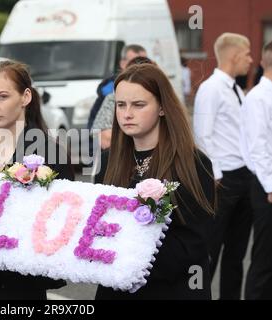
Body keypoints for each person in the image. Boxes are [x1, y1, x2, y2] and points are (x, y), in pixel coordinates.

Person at [94, 63, 215, 299]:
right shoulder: (109, 160)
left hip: (172, 289)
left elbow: (196, 242)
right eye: (121, 105)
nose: (127, 113)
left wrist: (129, 256)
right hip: (116, 289)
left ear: (161, 107)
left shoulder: (192, 162)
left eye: (139, 105)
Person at [0, 60, 73, 300]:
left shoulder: (50, 153)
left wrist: (3, 260)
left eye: (1, 97)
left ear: (25, 97)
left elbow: (59, 226)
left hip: (22, 286)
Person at [193, 32, 253, 300]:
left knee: (237, 253)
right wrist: (214, 176)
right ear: (234, 56)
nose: (251, 60)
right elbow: (202, 134)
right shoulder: (211, 88)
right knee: (211, 249)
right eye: (248, 54)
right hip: (222, 179)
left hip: (244, 176)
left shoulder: (237, 89)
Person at [242, 40, 272, 300]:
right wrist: (270, 187)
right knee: (264, 256)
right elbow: (257, 147)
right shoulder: (258, 97)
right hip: (266, 187)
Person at [87, 45, 147, 151]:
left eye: (144, 62)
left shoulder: (156, 93)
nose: (139, 67)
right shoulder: (109, 94)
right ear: (123, 63)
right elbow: (102, 137)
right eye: (134, 62)